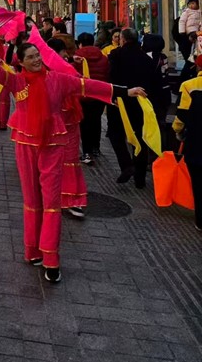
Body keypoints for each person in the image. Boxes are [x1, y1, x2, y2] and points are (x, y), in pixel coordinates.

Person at [0, 35, 146, 283]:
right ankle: (32, 250)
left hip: (53, 144)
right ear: (21, 63)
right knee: (31, 200)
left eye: (38, 55)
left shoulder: (58, 79)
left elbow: (88, 85)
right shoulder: (16, 81)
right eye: (30, 57)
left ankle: (51, 259)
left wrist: (125, 91)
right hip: (26, 144)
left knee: (51, 201)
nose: (36, 60)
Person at [106, 28, 160, 188]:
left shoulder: (116, 55)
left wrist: (112, 96)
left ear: (122, 40)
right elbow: (153, 83)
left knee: (116, 134)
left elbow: (111, 77)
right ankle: (140, 177)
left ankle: (127, 165)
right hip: (140, 102)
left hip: (120, 101)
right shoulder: (146, 59)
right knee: (140, 137)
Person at [47, 37, 87, 219]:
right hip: (57, 121)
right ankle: (68, 198)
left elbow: (85, 85)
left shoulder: (65, 68)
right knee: (62, 159)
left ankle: (69, 198)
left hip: (64, 120)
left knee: (66, 159)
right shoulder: (44, 70)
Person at [173, 55, 202, 231]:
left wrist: (177, 131)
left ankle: (200, 220)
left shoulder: (189, 85)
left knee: (198, 181)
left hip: (196, 140)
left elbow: (182, 115)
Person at [73, 32, 110, 164]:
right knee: (96, 120)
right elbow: (107, 74)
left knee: (84, 123)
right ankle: (96, 147)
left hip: (83, 95)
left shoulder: (76, 58)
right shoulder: (103, 58)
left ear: (80, 44)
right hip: (99, 94)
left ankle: (86, 151)